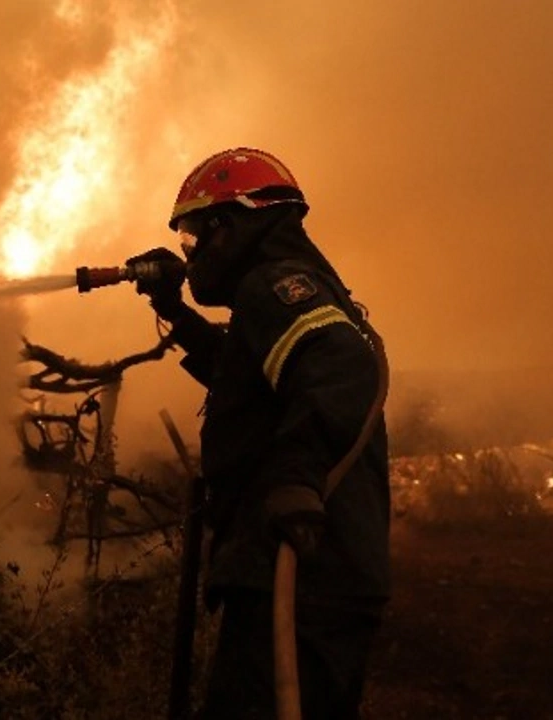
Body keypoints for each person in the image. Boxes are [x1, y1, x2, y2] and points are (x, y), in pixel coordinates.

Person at [129, 147, 390, 719]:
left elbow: (339, 364)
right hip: (309, 573)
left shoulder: (276, 284)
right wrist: (173, 309)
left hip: (302, 573)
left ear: (232, 226)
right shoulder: (286, 292)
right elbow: (247, 373)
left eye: (195, 238)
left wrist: (296, 481)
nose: (191, 255)